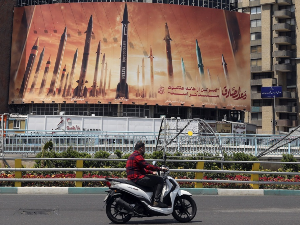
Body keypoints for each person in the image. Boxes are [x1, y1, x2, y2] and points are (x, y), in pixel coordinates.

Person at [126, 141, 168, 208]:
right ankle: (156, 201)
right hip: (137, 178)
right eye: (144, 148)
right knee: (160, 180)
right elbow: (147, 166)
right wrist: (160, 168)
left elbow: (141, 169)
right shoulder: (137, 156)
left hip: (133, 178)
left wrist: (151, 172)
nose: (145, 150)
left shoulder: (132, 156)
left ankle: (150, 201)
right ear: (141, 148)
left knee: (153, 180)